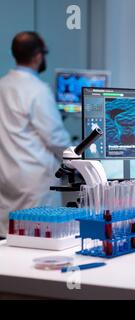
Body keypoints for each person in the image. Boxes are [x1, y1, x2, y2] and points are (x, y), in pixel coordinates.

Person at [0, 32, 71, 238]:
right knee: (37, 237)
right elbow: (55, 138)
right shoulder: (37, 90)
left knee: (9, 239)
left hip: (6, 176)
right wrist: (79, 157)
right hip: (34, 181)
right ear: (38, 56)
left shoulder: (2, 85)